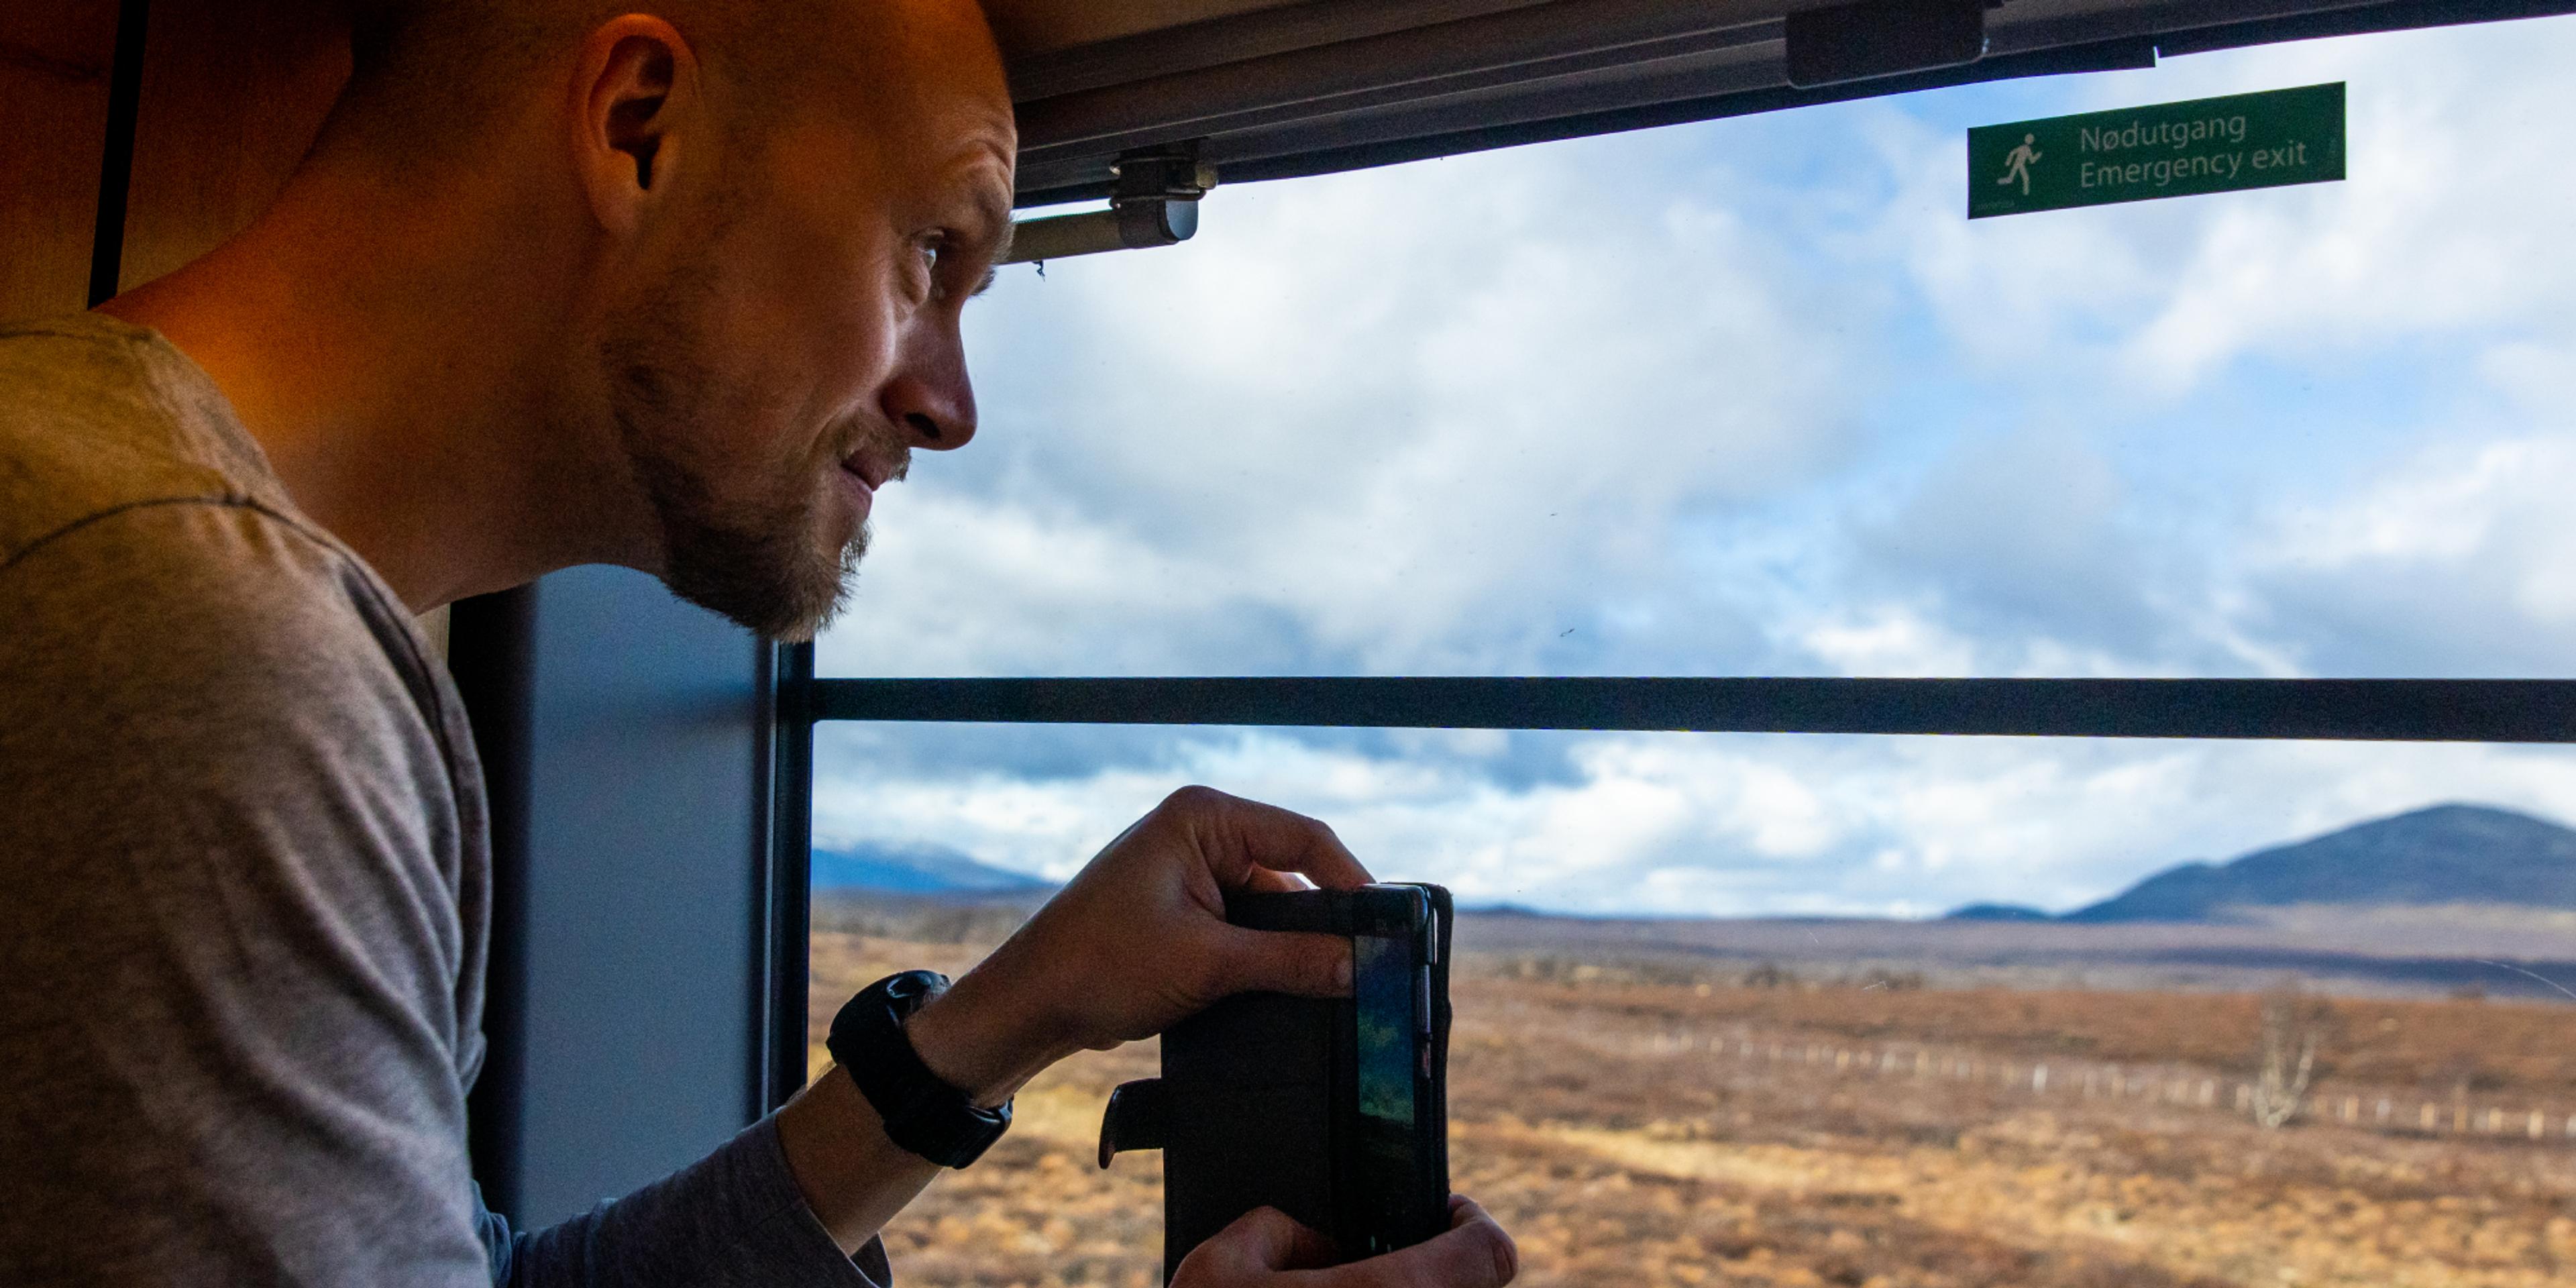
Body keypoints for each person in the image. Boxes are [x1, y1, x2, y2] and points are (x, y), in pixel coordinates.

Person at [0, 2, 1520, 1285]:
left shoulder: (178, 561)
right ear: (641, 125)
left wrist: (1000, 1024)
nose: (955, 406)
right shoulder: (184, 634)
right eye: (933, 252)